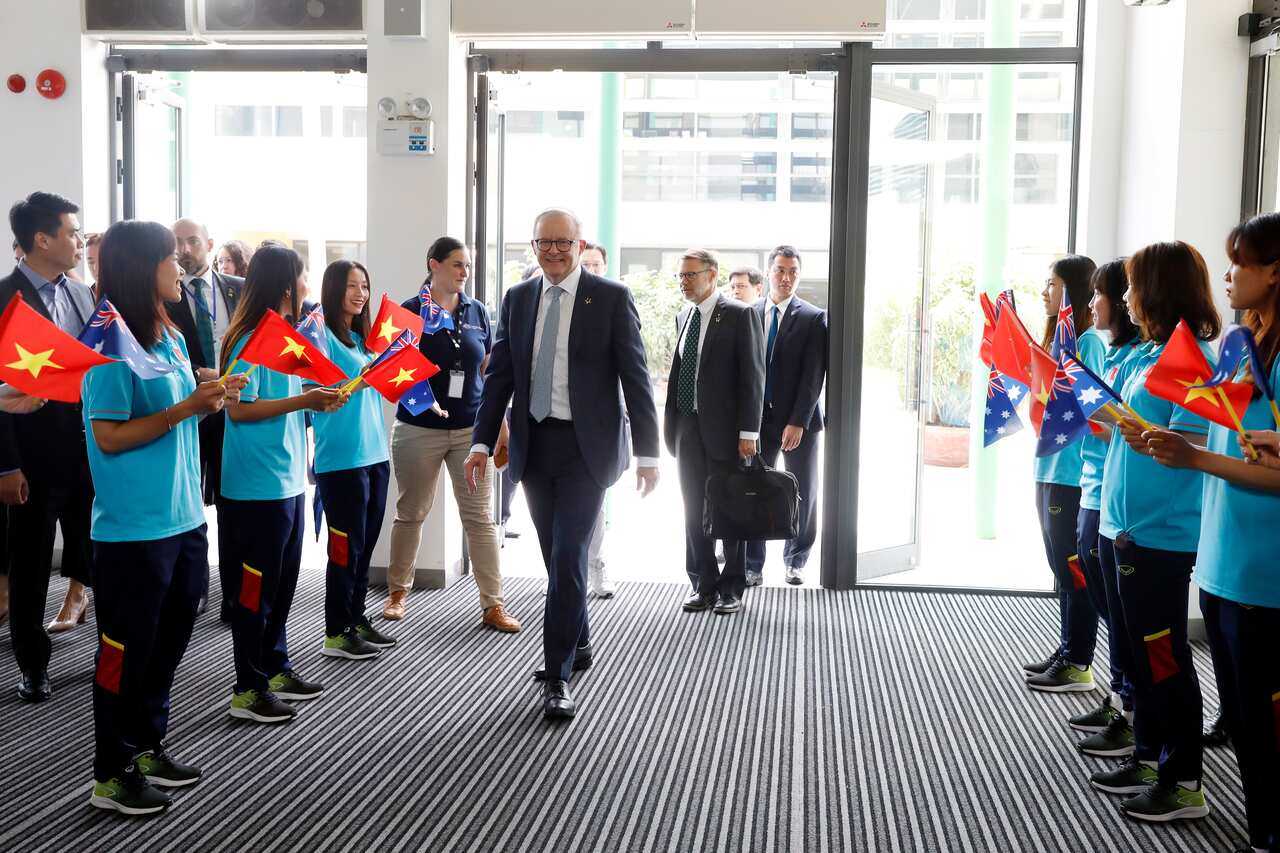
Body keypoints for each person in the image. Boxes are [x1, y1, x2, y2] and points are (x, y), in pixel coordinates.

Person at [465, 209, 660, 720]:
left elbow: (636, 378)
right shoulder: (518, 298)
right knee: (556, 559)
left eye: (562, 242)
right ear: (533, 247)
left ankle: (557, 675)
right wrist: (482, 444)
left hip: (586, 450)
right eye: (543, 243)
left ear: (579, 244)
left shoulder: (609, 298)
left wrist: (648, 452)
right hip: (535, 447)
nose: (553, 251)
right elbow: (500, 378)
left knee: (570, 554)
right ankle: (580, 640)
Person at [82, 219, 242, 816]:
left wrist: (210, 395)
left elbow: (177, 416)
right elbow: (111, 437)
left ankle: (146, 743)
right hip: (132, 530)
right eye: (170, 259)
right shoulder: (108, 341)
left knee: (170, 639)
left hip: (181, 521)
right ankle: (110, 771)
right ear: (142, 267)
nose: (180, 269)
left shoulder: (166, 333)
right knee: (124, 650)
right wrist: (187, 407)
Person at [1141, 213, 1280, 850]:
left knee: (1266, 728)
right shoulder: (1241, 343)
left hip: (1264, 571)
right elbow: (1235, 444)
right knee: (1245, 728)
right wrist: (1185, 442)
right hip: (1221, 562)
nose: (1228, 274)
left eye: (1240, 261)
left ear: (1274, 271)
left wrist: (1193, 457)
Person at [1087, 241, 1217, 823]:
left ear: (1159, 291)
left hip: (1161, 534)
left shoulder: (1190, 358)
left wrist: (1150, 436)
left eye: (1135, 285)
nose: (1126, 297)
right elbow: (1134, 428)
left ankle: (1183, 779)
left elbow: (1199, 446)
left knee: (1164, 660)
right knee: (1139, 656)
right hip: (1126, 528)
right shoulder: (1148, 354)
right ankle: (1147, 755)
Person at [219, 245, 345, 724]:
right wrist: (303, 401)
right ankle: (247, 687)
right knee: (254, 592)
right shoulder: (250, 339)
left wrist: (317, 400)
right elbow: (239, 408)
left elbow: (289, 400)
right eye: (302, 274)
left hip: (288, 481)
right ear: (286, 284)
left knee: (282, 585)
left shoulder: (284, 336)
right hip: (255, 488)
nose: (309, 281)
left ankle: (274, 666)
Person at [385, 238, 522, 631]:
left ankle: (492, 605)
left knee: (479, 519)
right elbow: (395, 372)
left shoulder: (477, 311)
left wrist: (501, 427)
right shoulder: (410, 313)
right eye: (458, 264)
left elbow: (489, 375)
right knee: (411, 513)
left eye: (468, 265)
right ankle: (397, 593)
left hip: (471, 431)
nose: (465, 272)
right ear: (434, 265)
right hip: (418, 429)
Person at [0, 191, 95, 702]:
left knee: (96, 554)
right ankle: (33, 665)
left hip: (88, 453)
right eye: (73, 232)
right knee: (32, 567)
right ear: (42, 239)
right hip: (32, 461)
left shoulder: (83, 295)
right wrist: (6, 466)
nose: (80, 241)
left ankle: (112, 650)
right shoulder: (4, 299)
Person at [1067, 260, 1143, 758]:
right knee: (1109, 603)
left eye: (1102, 294)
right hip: (1100, 490)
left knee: (1136, 626)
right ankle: (1121, 699)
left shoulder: (1150, 357)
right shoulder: (1123, 354)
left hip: (1123, 507)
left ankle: (1131, 707)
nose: (1092, 303)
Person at [1022, 255, 1105, 693]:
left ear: (1072, 290)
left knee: (1072, 567)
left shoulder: (1087, 342)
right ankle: (1068, 648)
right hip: (1050, 464)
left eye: (1051, 283)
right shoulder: (1059, 338)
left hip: (1071, 471)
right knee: (1060, 563)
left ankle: (1079, 661)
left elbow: (1081, 407)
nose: (1043, 290)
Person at [666, 249, 765, 615]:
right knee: (693, 508)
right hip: (687, 427)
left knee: (729, 508)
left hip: (727, 432)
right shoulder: (684, 316)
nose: (684, 282)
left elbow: (753, 377)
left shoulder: (740, 315)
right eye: (681, 276)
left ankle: (732, 586)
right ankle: (702, 583)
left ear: (712, 275)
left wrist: (749, 432)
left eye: (690, 275)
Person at [310, 260, 396, 659]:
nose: (360, 294)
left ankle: (356, 618)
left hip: (375, 455)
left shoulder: (363, 340)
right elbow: (313, 397)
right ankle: (336, 630)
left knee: (364, 546)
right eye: (351, 286)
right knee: (344, 549)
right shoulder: (319, 337)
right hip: (341, 461)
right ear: (333, 290)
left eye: (365, 286)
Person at [167, 218, 244, 619]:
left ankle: (234, 592)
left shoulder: (238, 288)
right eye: (177, 242)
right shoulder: (165, 293)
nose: (184, 248)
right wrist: (202, 375)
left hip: (234, 408)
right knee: (190, 502)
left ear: (209, 244)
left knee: (233, 502)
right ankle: (194, 586)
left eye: (192, 240)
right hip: (191, 408)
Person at [744, 247, 826, 587]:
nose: (786, 277)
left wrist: (798, 421)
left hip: (798, 423)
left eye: (793, 271)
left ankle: (796, 560)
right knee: (752, 490)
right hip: (755, 422)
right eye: (780, 270)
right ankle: (752, 564)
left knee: (802, 491)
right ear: (768, 272)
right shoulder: (747, 313)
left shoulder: (812, 317)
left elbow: (813, 377)